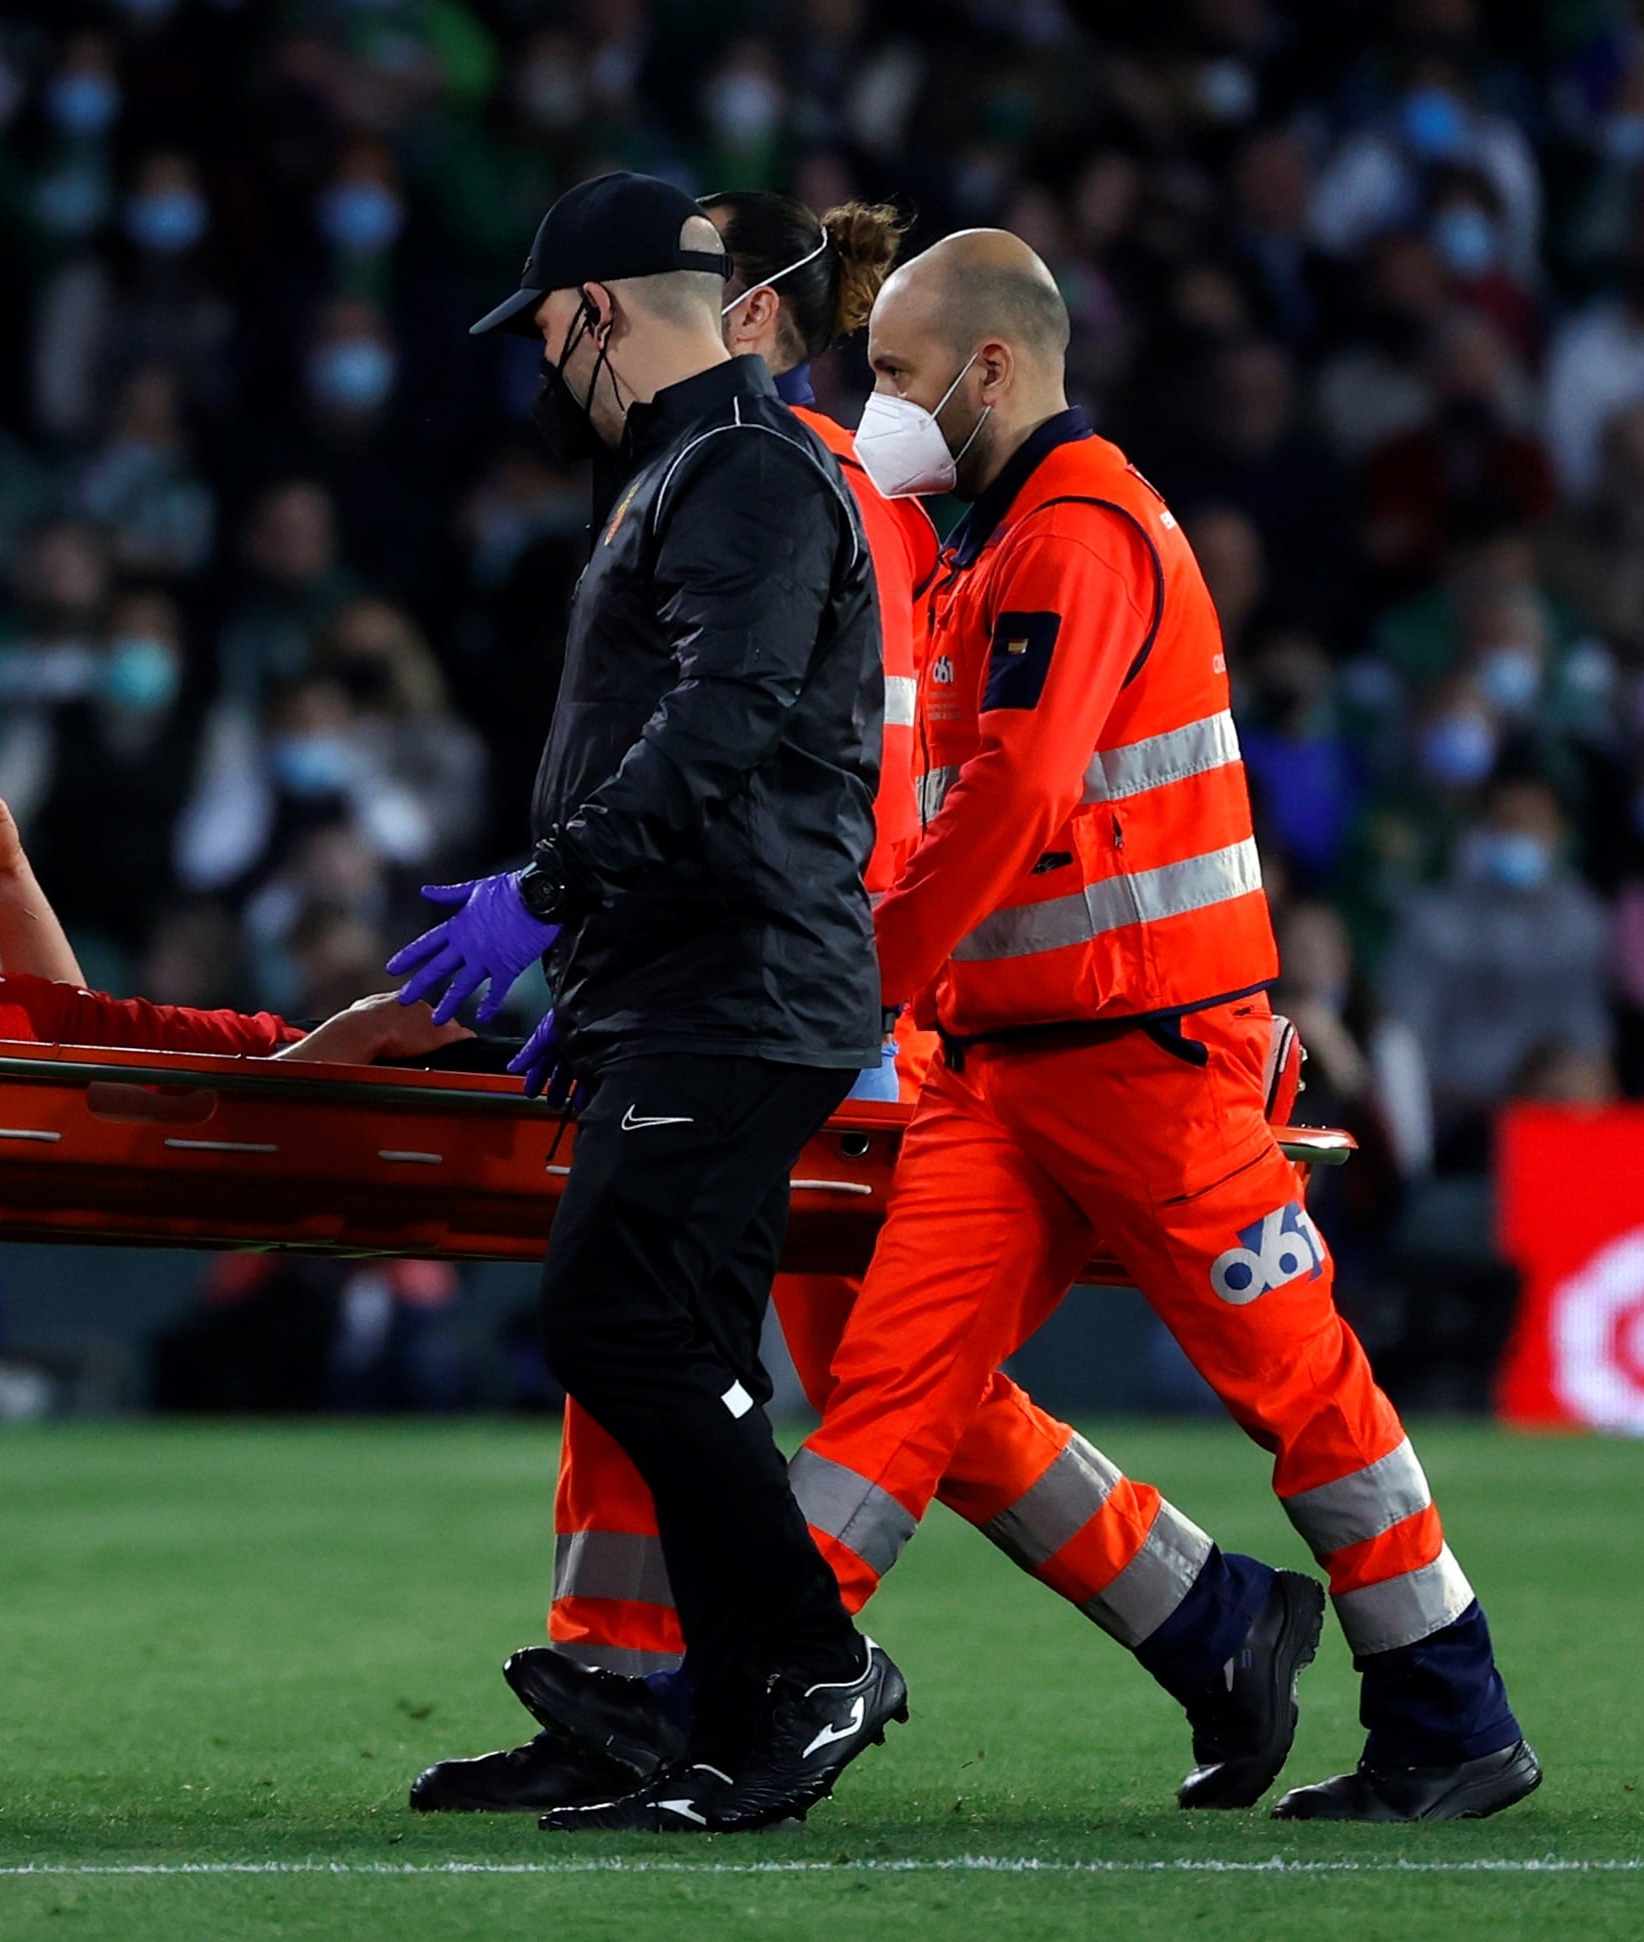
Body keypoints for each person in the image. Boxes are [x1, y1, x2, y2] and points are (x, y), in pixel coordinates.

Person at [414, 192, 1322, 1821]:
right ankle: (1190, 1617)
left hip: (848, 980)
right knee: (797, 1359)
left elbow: (878, 764)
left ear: (743, 315)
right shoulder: (785, 486)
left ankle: (736, 1668)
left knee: (825, 1363)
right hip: (814, 967)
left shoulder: (812, 488)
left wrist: (853, 975)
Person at [795, 227, 1537, 1823]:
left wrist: (865, 972)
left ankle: (1451, 1708)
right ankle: (770, 1679)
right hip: (1008, 1062)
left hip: (1149, 1060)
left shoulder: (1075, 533)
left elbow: (1019, 792)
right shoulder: (1001, 538)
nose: (884, 412)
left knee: (1300, 1389)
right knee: (890, 1381)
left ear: (993, 367)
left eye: (903, 376)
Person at [389, 172, 897, 1835]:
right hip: (698, 977)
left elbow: (719, 722)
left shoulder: (737, 468)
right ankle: (745, 1704)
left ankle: (812, 1666)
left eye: (548, 331)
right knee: (682, 1345)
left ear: (598, 309)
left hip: (734, 983)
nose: (546, 366)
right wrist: (589, 963)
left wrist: (546, 896)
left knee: (612, 1321)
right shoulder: (697, 467)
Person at [0, 747, 459, 1069]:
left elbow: (72, 1033)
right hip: (329, 1082)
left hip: (311, 1063)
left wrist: (3, 873)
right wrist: (355, 1034)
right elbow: (168, 1123)